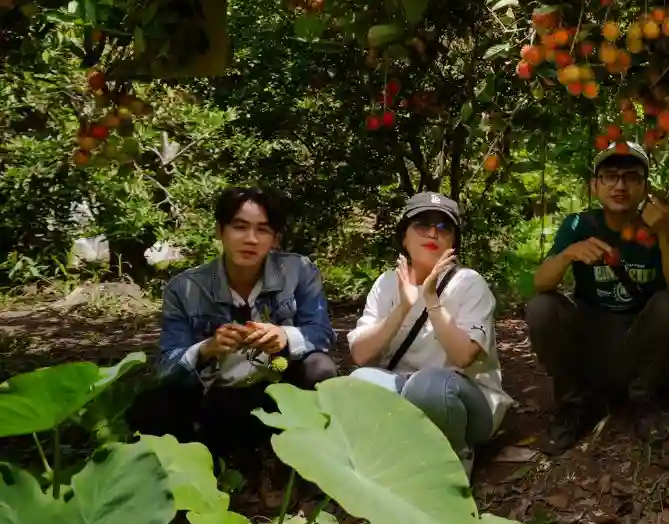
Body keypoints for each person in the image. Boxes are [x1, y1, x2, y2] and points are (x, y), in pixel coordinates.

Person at [139, 187, 337, 465]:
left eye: (263, 230)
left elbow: (323, 334)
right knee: (153, 405)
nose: (251, 239)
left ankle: (312, 463)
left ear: (275, 238)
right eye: (240, 227)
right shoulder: (184, 288)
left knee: (321, 368)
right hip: (217, 397)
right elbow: (167, 366)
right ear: (220, 231)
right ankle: (193, 471)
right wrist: (207, 348)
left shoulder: (299, 271)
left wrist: (285, 336)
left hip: (280, 393)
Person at [527, 142, 669, 452]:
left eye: (631, 177)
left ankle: (643, 401)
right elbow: (539, 283)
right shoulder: (577, 226)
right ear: (595, 185)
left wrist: (665, 233)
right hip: (592, 342)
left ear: (645, 186)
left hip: (639, 344)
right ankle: (572, 406)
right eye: (610, 176)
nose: (620, 185)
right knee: (542, 308)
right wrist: (567, 255)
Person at [347, 192, 512, 475]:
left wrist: (431, 300)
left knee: (431, 386)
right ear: (404, 237)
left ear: (452, 243)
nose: (433, 233)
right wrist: (403, 307)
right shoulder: (387, 283)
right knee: (357, 383)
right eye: (422, 225)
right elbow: (361, 355)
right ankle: (397, 457)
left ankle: (453, 465)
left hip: (463, 398)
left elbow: (463, 357)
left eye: (444, 227)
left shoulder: (468, 283)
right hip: (404, 391)